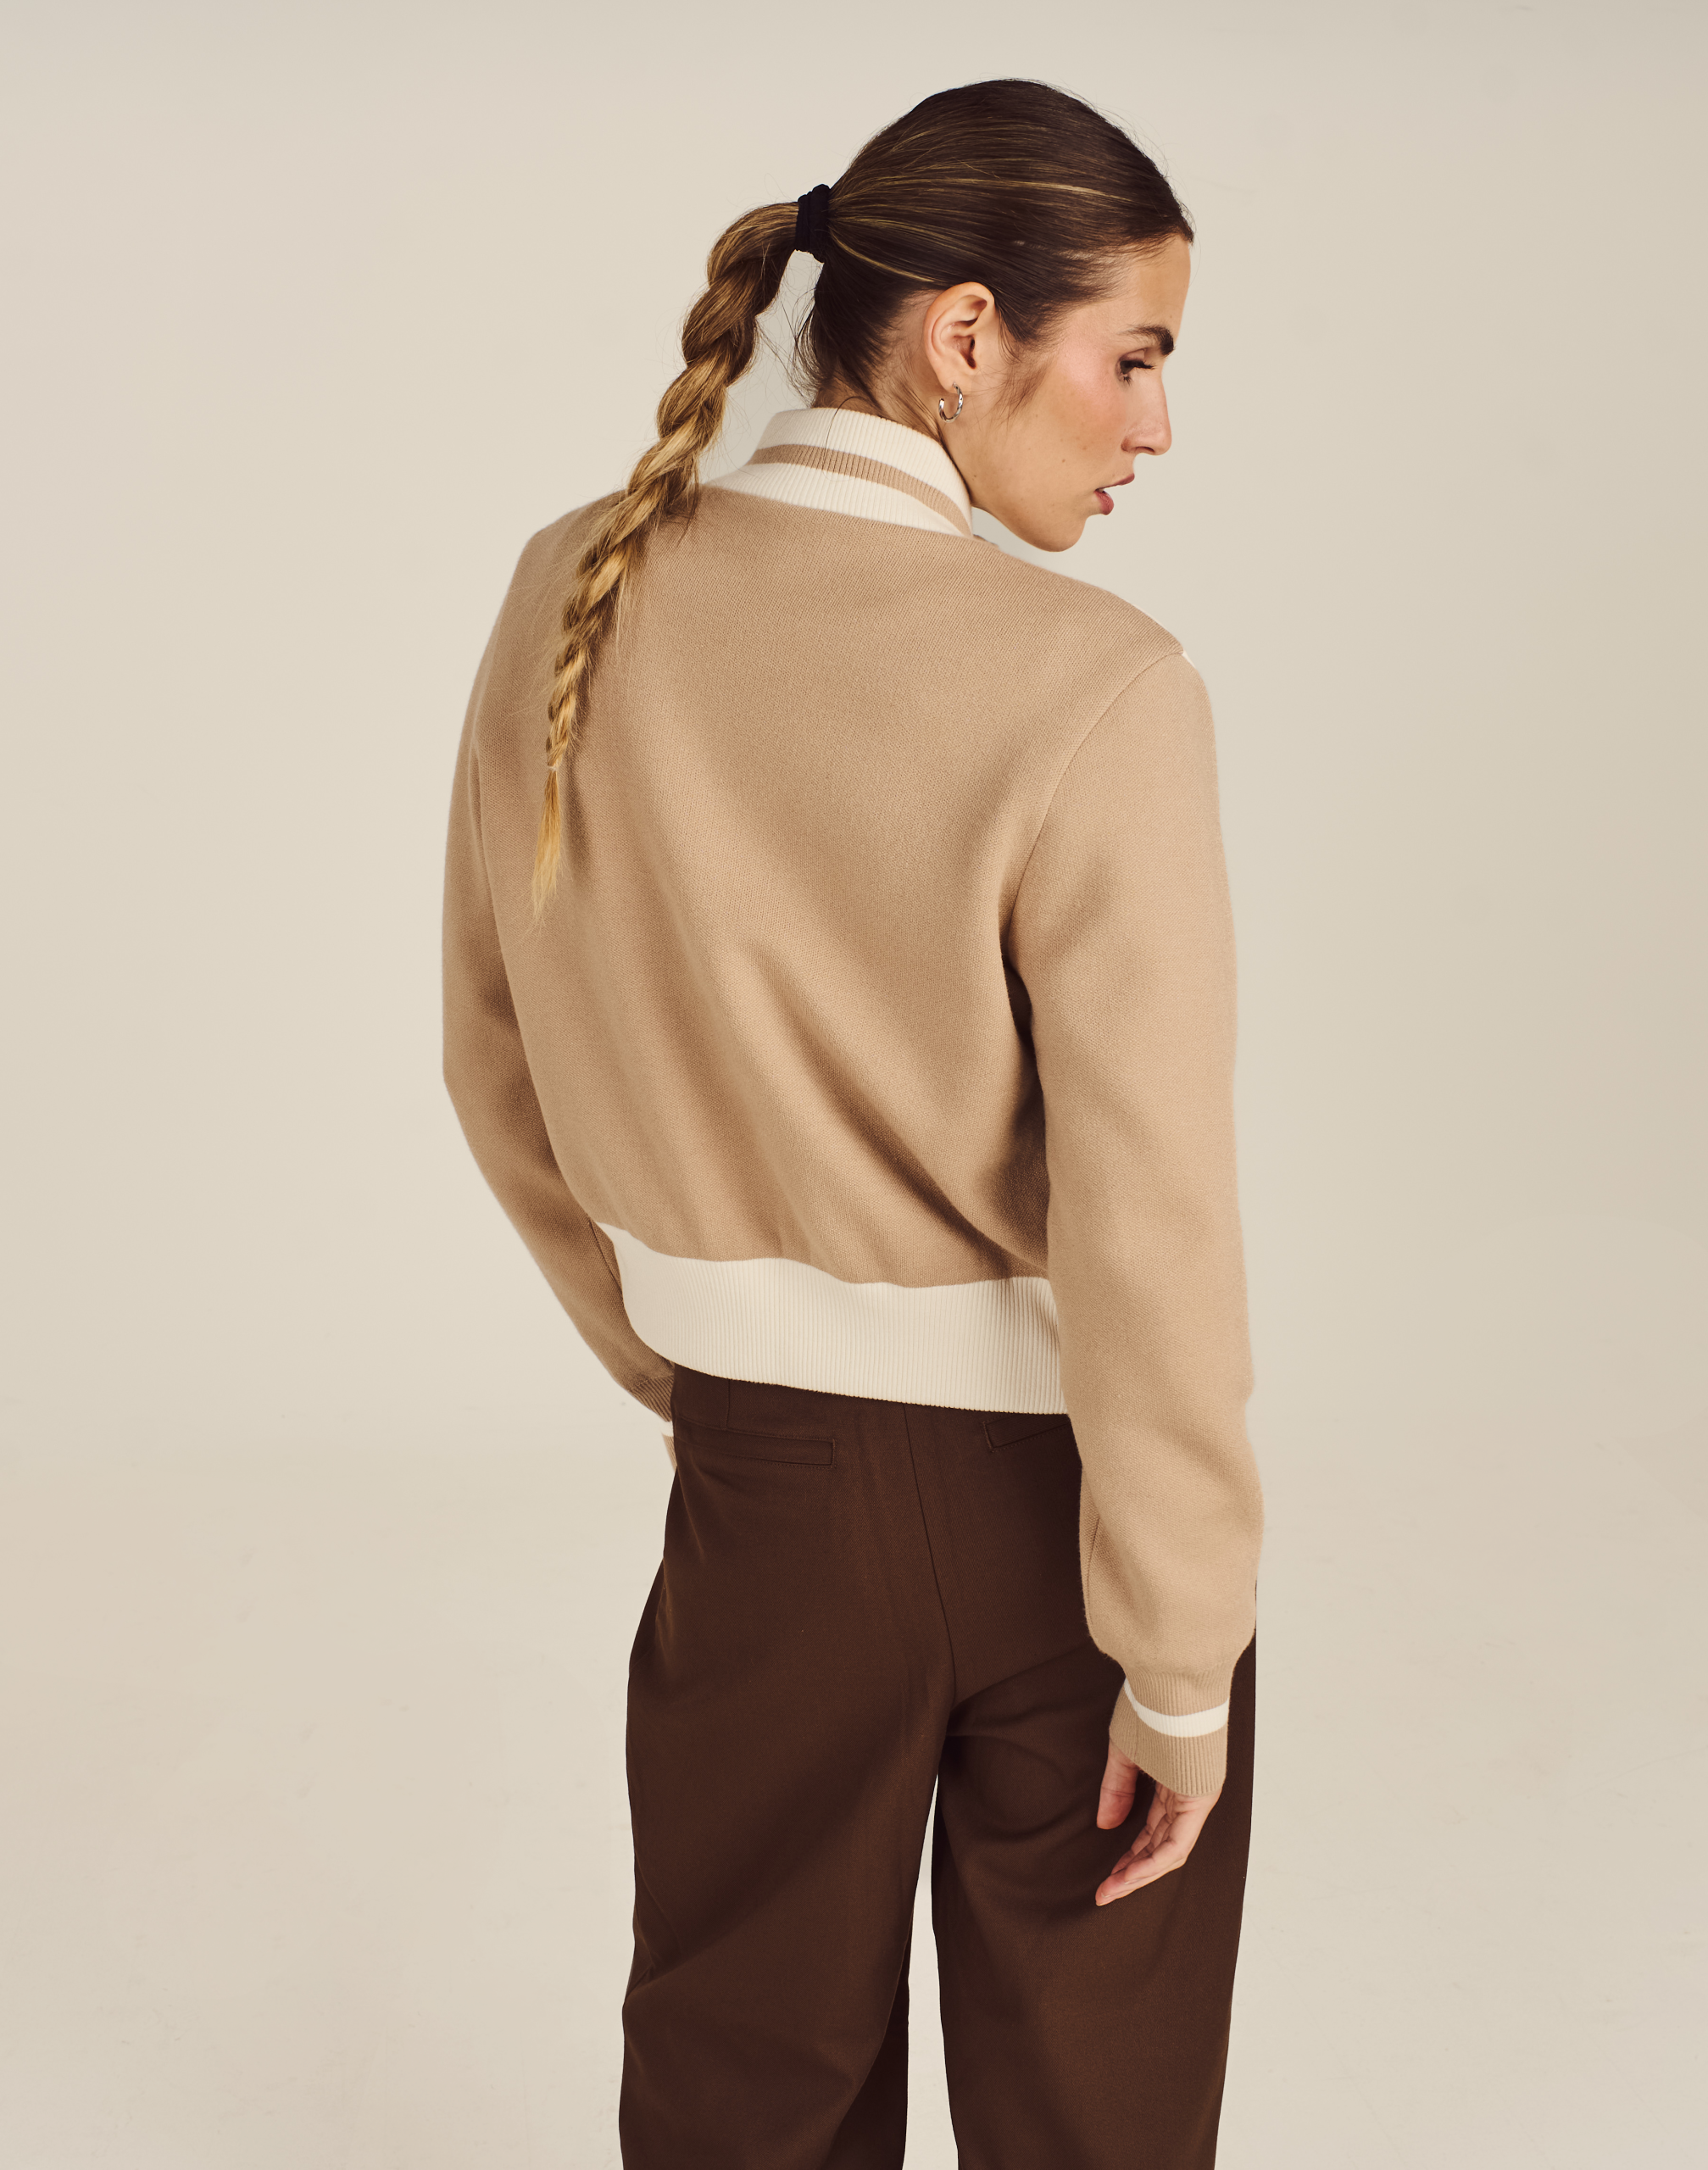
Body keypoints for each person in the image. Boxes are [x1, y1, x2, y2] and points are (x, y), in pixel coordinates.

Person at [442, 75, 1265, 2170]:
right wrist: (1180, 1655)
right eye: (1134, 356)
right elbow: (1150, 1221)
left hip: (763, 1493)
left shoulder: (570, 588)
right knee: (1095, 2104)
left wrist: (706, 1369)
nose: (1157, 424)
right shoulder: (1099, 684)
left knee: (741, 2088)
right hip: (1055, 1522)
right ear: (968, 335)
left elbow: (494, 1054)